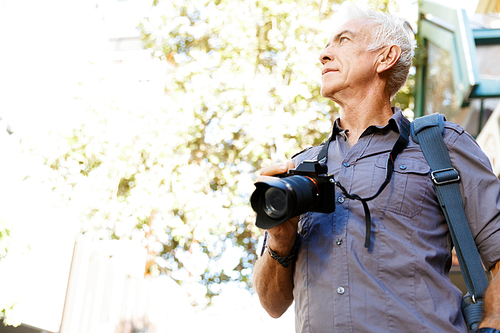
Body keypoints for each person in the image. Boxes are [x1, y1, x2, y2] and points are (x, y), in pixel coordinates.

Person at [252, 3, 500, 332]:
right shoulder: (299, 170)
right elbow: (273, 305)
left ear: (385, 57)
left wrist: (492, 325)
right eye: (326, 45)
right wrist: (280, 238)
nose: (324, 54)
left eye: (343, 40)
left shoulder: (440, 145)